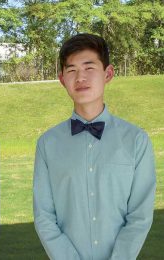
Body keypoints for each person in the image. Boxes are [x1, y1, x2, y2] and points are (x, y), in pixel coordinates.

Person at [33, 33, 156, 260]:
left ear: (107, 73)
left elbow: (140, 215)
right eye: (71, 70)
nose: (80, 77)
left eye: (89, 68)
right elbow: (44, 216)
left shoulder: (136, 140)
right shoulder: (47, 145)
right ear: (62, 79)